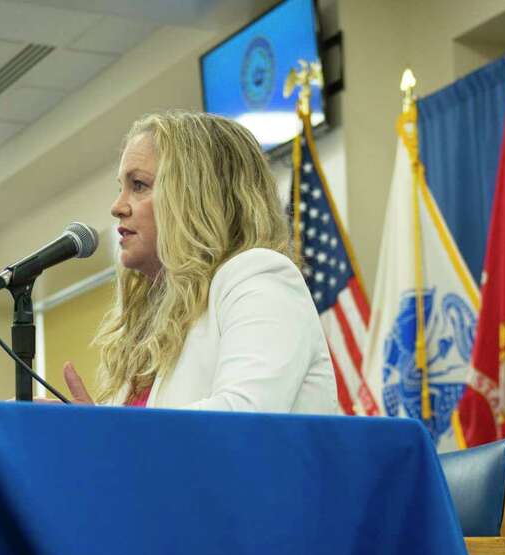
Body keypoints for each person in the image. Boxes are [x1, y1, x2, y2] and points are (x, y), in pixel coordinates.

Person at [61, 110, 337, 413]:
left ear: (196, 194)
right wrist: (87, 431)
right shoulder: (154, 318)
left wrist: (106, 432)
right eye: (121, 188)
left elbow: (240, 418)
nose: (117, 207)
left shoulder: (259, 277)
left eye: (138, 185)